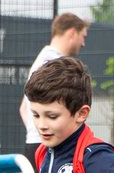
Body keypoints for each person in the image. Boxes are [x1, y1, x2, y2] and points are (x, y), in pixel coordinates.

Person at [19, 12, 89, 164]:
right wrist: (46, 131)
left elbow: (24, 109)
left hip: (37, 145)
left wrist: (38, 129)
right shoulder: (54, 64)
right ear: (72, 32)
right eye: (83, 36)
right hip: (48, 147)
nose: (83, 43)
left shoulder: (44, 59)